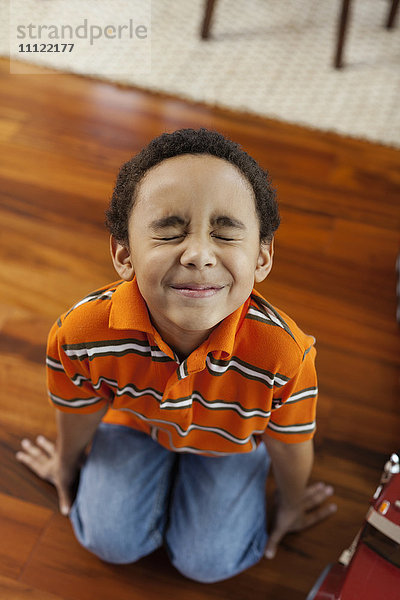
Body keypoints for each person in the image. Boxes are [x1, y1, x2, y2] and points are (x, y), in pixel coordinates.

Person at [16, 128, 336, 583]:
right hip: (135, 426)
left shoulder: (285, 354)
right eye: (169, 234)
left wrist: (289, 503)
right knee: (108, 540)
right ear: (124, 254)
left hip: (231, 444)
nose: (199, 254)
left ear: (262, 257)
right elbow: (77, 408)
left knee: (209, 563)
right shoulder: (81, 332)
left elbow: (291, 442)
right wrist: (67, 467)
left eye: (225, 234)